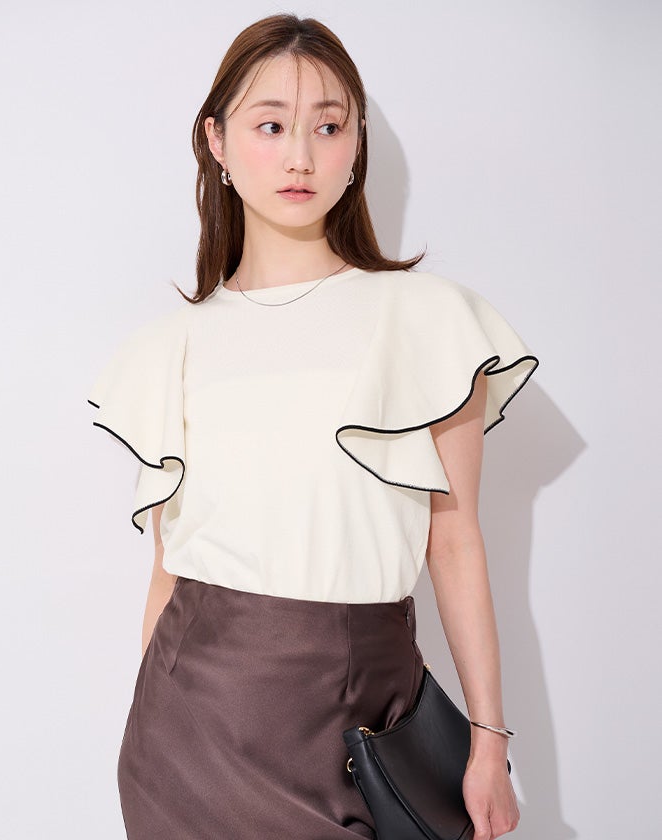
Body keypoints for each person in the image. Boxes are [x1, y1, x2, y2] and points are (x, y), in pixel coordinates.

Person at [87, 13, 538, 840]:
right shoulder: (171, 346)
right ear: (217, 142)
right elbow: (167, 572)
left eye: (328, 127)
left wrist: (488, 741)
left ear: (356, 145)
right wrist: (143, 721)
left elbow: (455, 541)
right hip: (186, 737)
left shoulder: (428, 321)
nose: (300, 155)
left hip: (364, 721)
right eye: (271, 126)